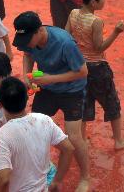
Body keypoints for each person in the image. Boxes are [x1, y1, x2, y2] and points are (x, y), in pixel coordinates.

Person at [12, 12, 88, 190]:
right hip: (47, 89)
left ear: (40, 30)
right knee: (34, 129)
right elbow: (28, 55)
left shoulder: (65, 43)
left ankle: (85, 177)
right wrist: (26, 76)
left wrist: (50, 79)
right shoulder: (30, 39)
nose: (26, 44)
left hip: (72, 91)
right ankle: (43, 167)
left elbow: (83, 72)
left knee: (74, 137)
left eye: (28, 39)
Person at [65, 0, 124, 150]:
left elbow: (66, 36)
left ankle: (82, 140)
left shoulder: (73, 13)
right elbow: (99, 47)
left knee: (84, 103)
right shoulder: (96, 21)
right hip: (97, 67)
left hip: (80, 67)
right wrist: (116, 32)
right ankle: (118, 140)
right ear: (94, 2)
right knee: (111, 103)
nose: (104, 1)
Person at [0, 77, 76, 191]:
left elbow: (3, 179)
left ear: (0, 104)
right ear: (26, 99)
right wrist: (57, 181)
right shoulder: (44, 120)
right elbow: (68, 149)